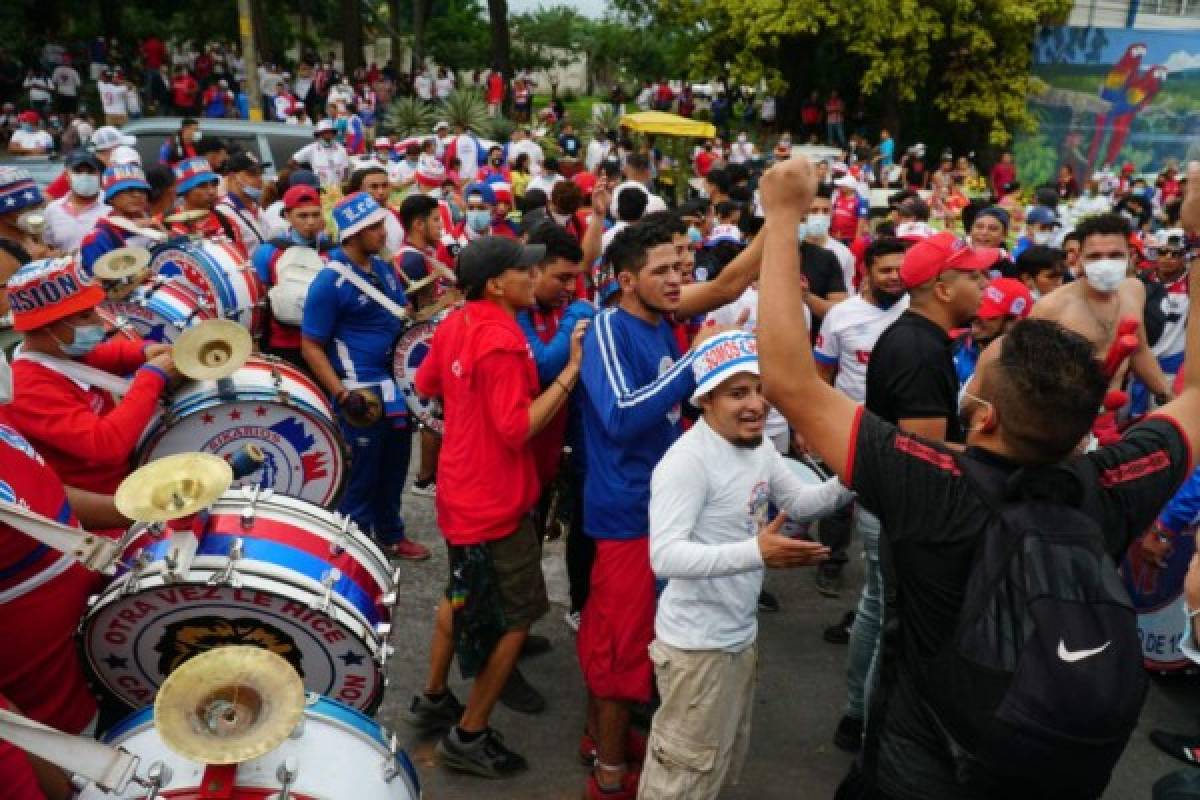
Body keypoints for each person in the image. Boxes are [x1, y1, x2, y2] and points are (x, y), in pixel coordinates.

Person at [755, 154, 1200, 800]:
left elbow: (788, 383)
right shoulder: (1112, 484)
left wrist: (783, 212)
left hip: (919, 770)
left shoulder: (935, 483)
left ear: (982, 418)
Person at [638, 330, 850, 799]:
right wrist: (757, 552)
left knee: (713, 770)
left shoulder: (758, 447)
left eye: (760, 390)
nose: (756, 404)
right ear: (706, 400)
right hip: (697, 649)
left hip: (737, 639)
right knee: (680, 780)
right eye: (738, 393)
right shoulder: (686, 462)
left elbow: (800, 501)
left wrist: (852, 477)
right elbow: (665, 555)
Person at [575, 217, 744, 800]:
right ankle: (610, 775)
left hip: (660, 509)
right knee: (620, 648)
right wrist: (692, 364)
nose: (678, 279)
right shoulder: (605, 328)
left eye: (681, 268)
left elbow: (671, 409)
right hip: (625, 513)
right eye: (663, 271)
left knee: (629, 638)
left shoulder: (661, 325)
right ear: (626, 280)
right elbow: (622, 415)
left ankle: (603, 739)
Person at [406, 236, 586, 777]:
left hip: (459, 492)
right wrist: (569, 371)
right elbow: (517, 429)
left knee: (458, 592)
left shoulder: (455, 322)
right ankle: (471, 733)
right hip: (494, 503)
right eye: (523, 272)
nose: (534, 279)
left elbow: (426, 382)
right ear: (495, 284)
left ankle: (436, 696)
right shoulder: (504, 341)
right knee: (516, 616)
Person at [4, 255, 178, 536]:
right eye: (85, 316)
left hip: (126, 478)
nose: (99, 321)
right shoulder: (28, 389)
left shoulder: (58, 353)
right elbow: (105, 446)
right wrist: (150, 378)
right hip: (102, 517)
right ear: (47, 326)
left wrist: (142, 352)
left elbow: (104, 356)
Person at [301, 192, 430, 561]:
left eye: (381, 224)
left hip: (394, 388)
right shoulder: (330, 282)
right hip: (360, 393)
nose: (382, 233)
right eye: (373, 228)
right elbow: (311, 345)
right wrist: (341, 394)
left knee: (394, 468)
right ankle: (354, 549)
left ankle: (390, 534)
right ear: (353, 234)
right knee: (361, 477)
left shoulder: (385, 268)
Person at [1031, 213, 1172, 408]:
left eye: (1115, 255)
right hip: (1066, 418)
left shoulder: (1134, 291)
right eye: (1095, 256)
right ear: (1080, 258)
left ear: (1130, 255)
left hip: (1114, 411)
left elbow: (1139, 352)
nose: (1105, 264)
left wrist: (1167, 396)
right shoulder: (1050, 307)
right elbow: (1031, 377)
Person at [251, 185, 332, 369]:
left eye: (315, 214)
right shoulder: (268, 252)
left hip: (327, 342)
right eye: (302, 216)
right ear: (287, 216)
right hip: (284, 344)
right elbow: (259, 300)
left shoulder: (333, 252)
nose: (310, 222)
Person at [953, 277, 1034, 385]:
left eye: (990, 316)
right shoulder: (949, 342)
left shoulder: (1025, 371)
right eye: (979, 307)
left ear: (1013, 323)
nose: (977, 316)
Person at [79, 164, 157, 274]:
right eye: (129, 190)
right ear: (111, 197)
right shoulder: (98, 238)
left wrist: (160, 230)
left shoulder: (152, 224)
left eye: (142, 190)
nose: (137, 195)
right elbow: (99, 285)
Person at [167, 157, 248, 256]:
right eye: (202, 186)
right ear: (185, 191)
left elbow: (242, 261)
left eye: (214, 184)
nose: (211, 191)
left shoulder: (228, 223)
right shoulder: (166, 223)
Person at [43, 150, 108, 254]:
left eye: (91, 171)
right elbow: (48, 246)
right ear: (66, 176)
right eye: (78, 171)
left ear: (100, 175)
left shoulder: (112, 206)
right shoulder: (52, 210)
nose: (85, 176)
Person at [215, 150, 268, 250]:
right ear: (233, 177)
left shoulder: (257, 207)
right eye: (252, 174)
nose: (259, 179)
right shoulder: (223, 212)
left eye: (260, 173)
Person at [292, 119, 351, 188]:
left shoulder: (341, 149)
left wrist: (344, 183)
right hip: (319, 188)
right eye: (324, 132)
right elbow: (292, 162)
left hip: (338, 189)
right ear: (319, 134)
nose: (328, 135)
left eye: (330, 132)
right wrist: (305, 174)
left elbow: (346, 168)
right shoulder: (311, 149)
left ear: (333, 133)